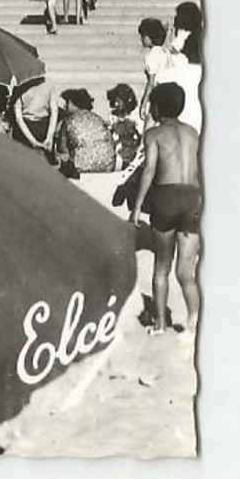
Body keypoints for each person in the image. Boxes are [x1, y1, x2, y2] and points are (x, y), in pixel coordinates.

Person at [130, 84, 202, 334]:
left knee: (162, 266)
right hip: (193, 198)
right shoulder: (193, 133)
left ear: (157, 108)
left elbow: (149, 170)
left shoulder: (154, 135)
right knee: (186, 270)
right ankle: (195, 320)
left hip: (165, 198)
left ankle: (160, 323)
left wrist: (137, 207)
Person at [53, 88, 116, 174]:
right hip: (108, 165)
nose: (65, 106)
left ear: (75, 103)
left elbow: (63, 151)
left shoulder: (69, 121)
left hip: (82, 166)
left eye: (67, 103)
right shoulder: (97, 118)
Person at [11, 75, 59, 156]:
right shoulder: (49, 83)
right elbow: (54, 111)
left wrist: (33, 141)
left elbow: (18, 118)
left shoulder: (20, 85)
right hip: (44, 126)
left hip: (25, 128)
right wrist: (49, 137)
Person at [106, 84, 142, 169]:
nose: (115, 104)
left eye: (118, 101)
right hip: (117, 154)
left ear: (128, 100)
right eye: (114, 101)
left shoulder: (137, 116)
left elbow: (142, 137)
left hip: (133, 155)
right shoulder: (113, 115)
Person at [139, 17, 171, 112]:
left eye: (143, 36)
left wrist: (144, 103)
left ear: (150, 37)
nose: (141, 39)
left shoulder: (151, 56)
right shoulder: (165, 51)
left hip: (159, 91)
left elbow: (151, 83)